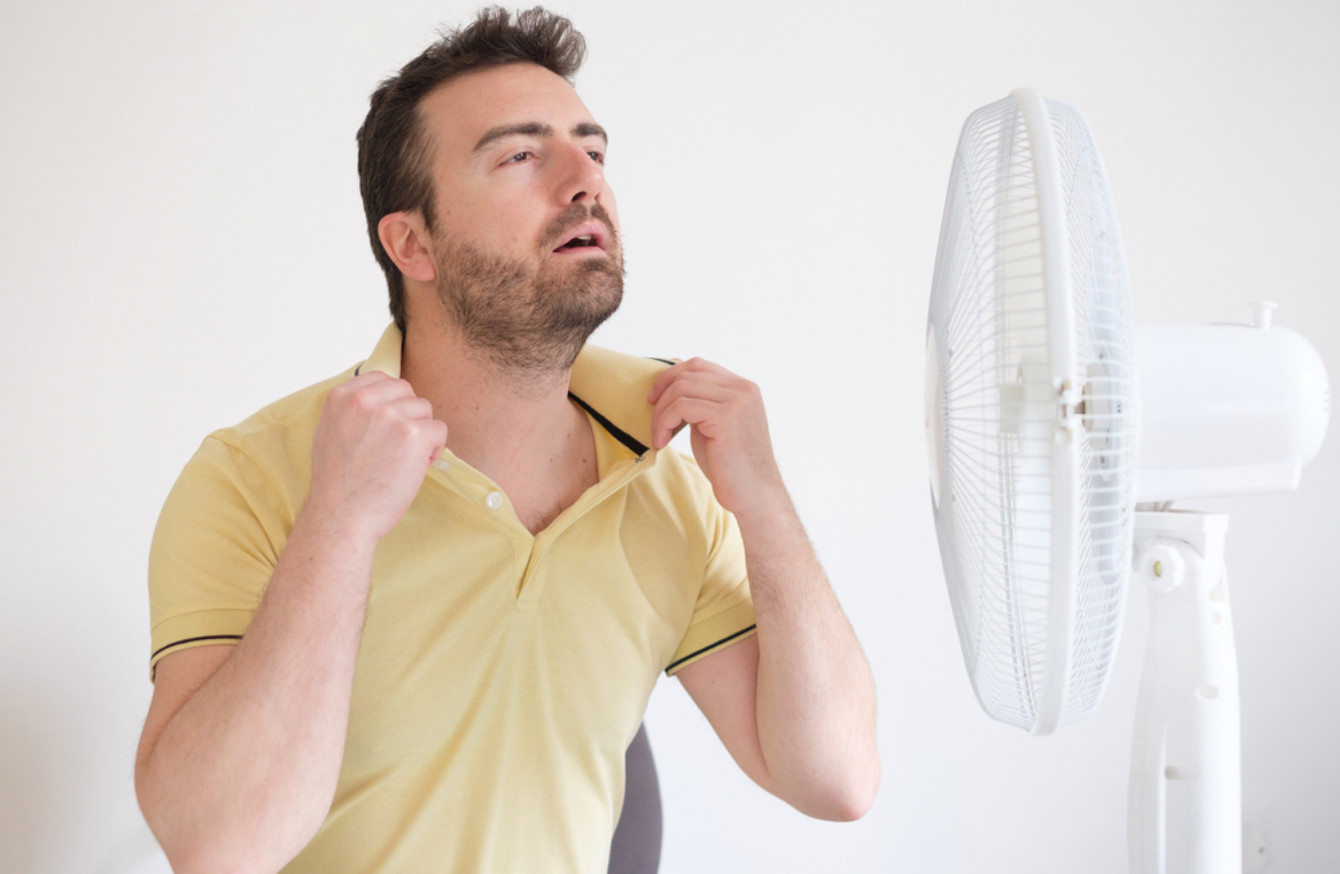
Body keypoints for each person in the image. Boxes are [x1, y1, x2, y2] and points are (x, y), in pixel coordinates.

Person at [134, 7, 879, 872]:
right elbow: (220, 847)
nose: (585, 181)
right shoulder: (254, 475)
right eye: (521, 156)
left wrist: (765, 502)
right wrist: (340, 522)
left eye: (593, 152)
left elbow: (837, 781)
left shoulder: (667, 487)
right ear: (412, 243)